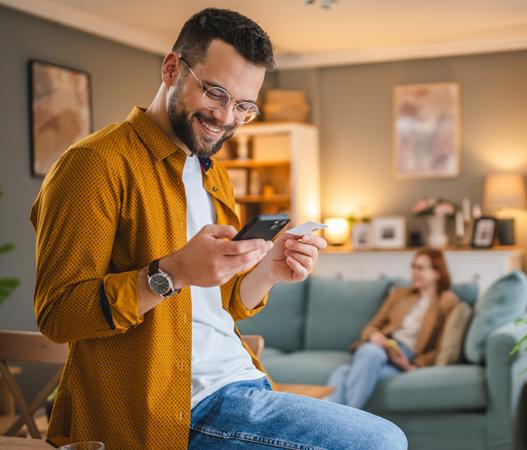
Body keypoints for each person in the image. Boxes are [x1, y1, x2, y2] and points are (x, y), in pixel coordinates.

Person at [29, 8, 407, 450]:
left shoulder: (212, 173)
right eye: (216, 93)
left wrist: (269, 270)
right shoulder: (94, 165)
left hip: (244, 382)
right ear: (171, 68)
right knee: (381, 441)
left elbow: (221, 304)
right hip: (174, 409)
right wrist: (172, 273)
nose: (227, 118)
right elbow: (58, 315)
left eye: (244, 107)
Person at [326, 248, 461, 408]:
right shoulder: (400, 294)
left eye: (421, 268)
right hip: (382, 345)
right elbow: (372, 326)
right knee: (369, 353)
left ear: (437, 273)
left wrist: (410, 365)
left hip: (403, 356)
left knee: (343, 373)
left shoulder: (446, 302)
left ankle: (338, 423)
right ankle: (350, 422)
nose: (414, 272)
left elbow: (440, 347)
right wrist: (375, 337)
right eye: (413, 267)